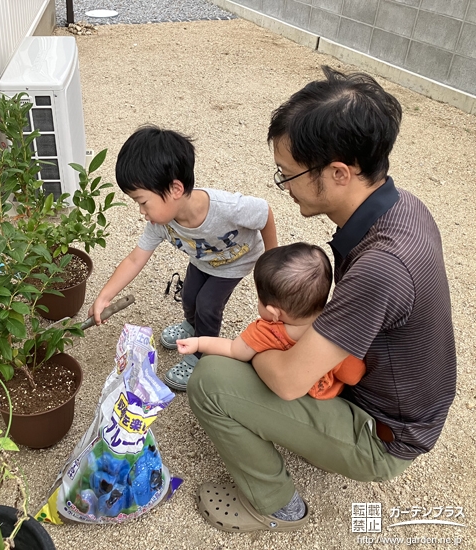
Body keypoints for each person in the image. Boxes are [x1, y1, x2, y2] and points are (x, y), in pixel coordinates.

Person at [187, 66, 456, 533]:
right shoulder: (402, 207)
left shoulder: (382, 266)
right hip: (396, 401)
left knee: (211, 378)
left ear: (337, 173)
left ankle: (274, 505)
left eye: (287, 174)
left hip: (384, 434)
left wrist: (254, 345)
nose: (284, 186)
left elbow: (289, 383)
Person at [88, 125, 277, 391]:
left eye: (143, 201)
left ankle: (200, 357)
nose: (141, 211)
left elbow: (264, 213)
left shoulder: (227, 208)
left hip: (235, 261)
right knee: (189, 297)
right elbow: (135, 259)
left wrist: (272, 261)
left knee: (208, 305)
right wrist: (105, 296)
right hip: (202, 260)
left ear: (175, 188)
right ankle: (191, 326)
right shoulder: (160, 223)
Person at [177, 242, 365, 400]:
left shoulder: (265, 331)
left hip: (283, 394)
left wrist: (199, 342)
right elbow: (353, 375)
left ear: (274, 313)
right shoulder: (335, 326)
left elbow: (234, 350)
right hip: (327, 398)